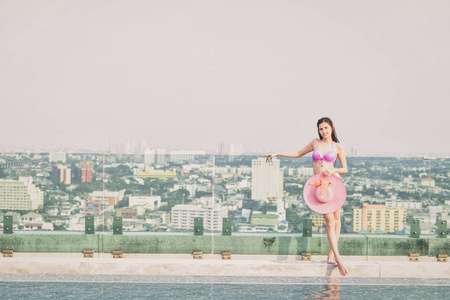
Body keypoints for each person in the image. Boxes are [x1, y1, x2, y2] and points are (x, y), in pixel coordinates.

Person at [265, 117, 348, 276]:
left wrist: (333, 170)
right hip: (319, 187)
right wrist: (278, 153)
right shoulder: (315, 143)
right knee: (330, 221)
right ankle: (338, 259)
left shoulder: (337, 147)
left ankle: (331, 255)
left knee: (337, 221)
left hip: (334, 184)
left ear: (332, 127)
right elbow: (297, 153)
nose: (323, 131)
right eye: (321, 129)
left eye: (326, 128)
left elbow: (345, 168)